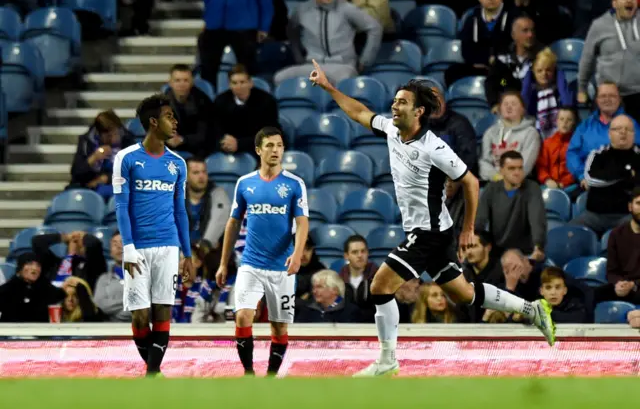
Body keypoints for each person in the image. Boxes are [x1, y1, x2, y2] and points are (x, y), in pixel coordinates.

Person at [310, 60, 556, 376]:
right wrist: (330, 88)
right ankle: (532, 309)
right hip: (428, 230)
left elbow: (470, 181)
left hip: (429, 232)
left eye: (402, 103)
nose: (394, 106)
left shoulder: (435, 147)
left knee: (380, 286)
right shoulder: (392, 130)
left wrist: (468, 229)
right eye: (395, 101)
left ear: (419, 112)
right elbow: (359, 112)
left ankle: (387, 360)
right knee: (465, 294)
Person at [216, 126, 309, 377]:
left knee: (279, 328)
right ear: (258, 150)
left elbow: (302, 222)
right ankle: (248, 374)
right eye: (269, 145)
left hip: (282, 267)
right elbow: (233, 222)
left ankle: (270, 377)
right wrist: (224, 263)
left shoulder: (294, 184)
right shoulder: (245, 183)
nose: (275, 150)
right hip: (251, 264)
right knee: (243, 317)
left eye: (279, 145)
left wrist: (298, 254)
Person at [112, 94, 193, 377]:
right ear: (153, 122)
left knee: (162, 312)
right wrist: (129, 247)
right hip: (138, 247)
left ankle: (151, 375)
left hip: (168, 246)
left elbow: (181, 212)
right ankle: (154, 372)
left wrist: (188, 254)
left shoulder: (178, 164)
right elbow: (121, 206)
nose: (175, 122)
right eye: (170, 116)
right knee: (140, 314)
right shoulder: (126, 159)